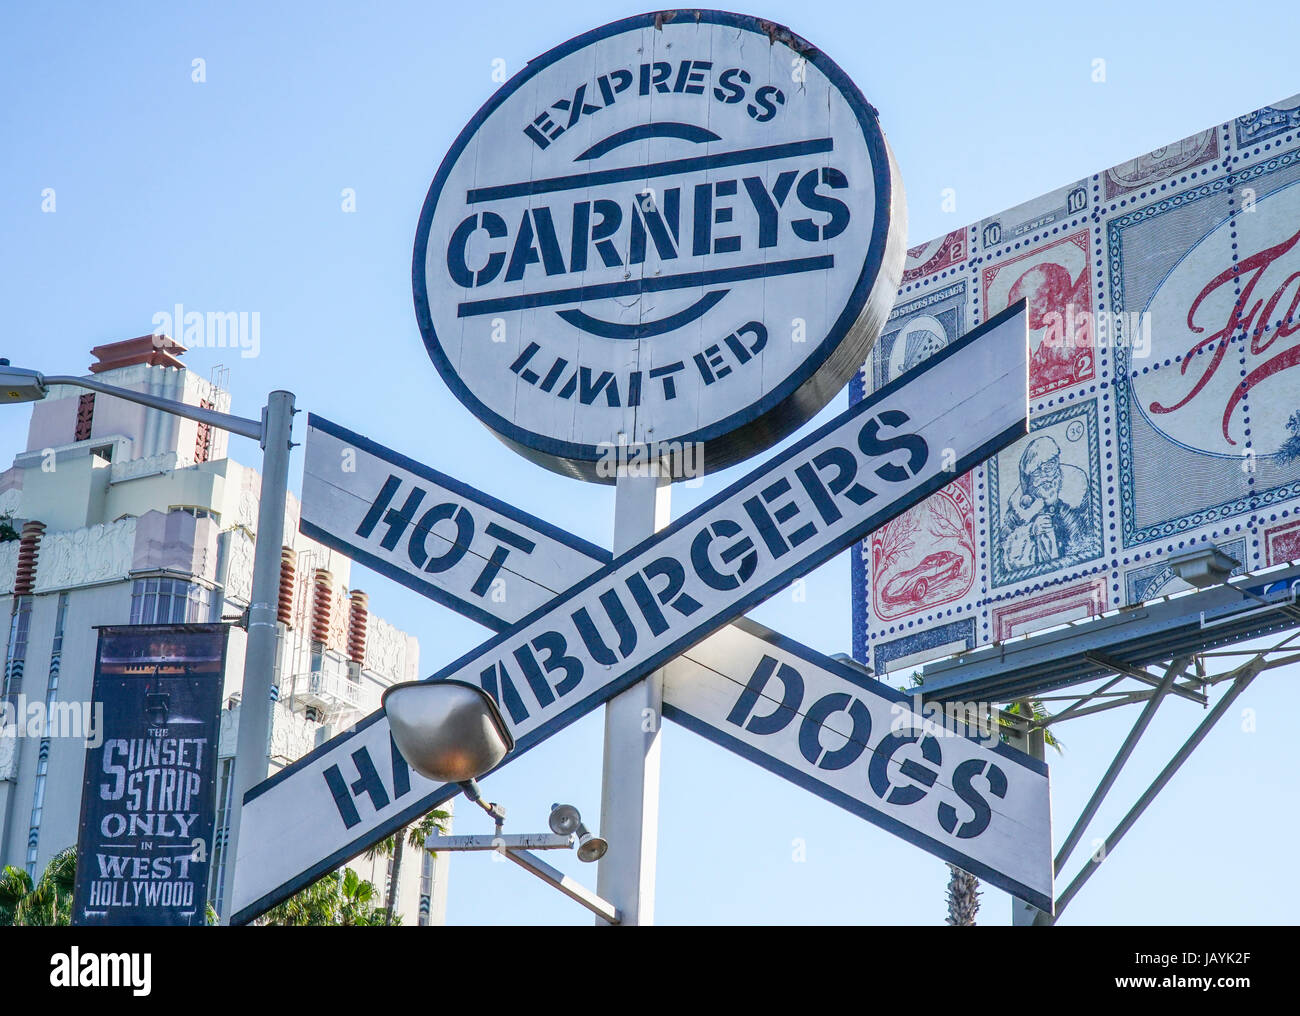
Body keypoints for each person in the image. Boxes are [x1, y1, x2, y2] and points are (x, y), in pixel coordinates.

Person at [1000, 435, 1092, 572]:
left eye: (1049, 467)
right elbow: (1004, 546)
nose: (1046, 476)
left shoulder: (1078, 488)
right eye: (1038, 471)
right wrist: (1031, 530)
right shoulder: (1017, 508)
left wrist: (1059, 507)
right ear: (1029, 476)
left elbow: (1091, 530)